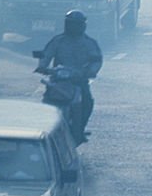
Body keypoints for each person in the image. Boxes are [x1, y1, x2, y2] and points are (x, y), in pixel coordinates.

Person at [36, 10, 103, 144]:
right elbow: (46, 54)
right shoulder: (58, 41)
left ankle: (80, 129)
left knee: (87, 103)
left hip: (78, 81)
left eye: (77, 24)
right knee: (46, 103)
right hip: (57, 81)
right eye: (71, 24)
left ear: (83, 26)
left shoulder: (89, 43)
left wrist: (90, 71)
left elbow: (96, 60)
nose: (74, 27)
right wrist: (43, 66)